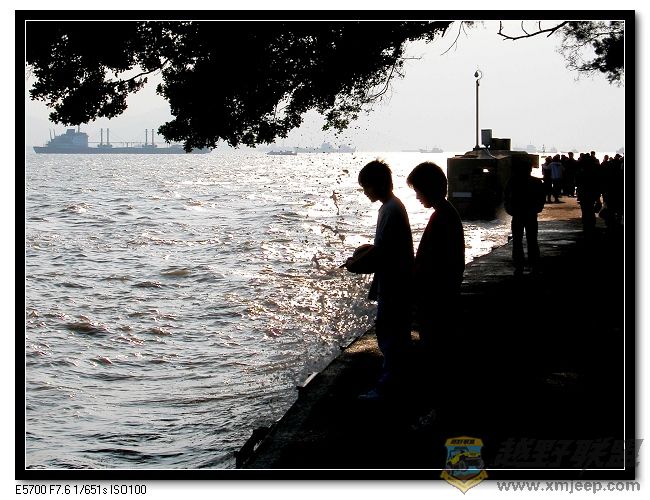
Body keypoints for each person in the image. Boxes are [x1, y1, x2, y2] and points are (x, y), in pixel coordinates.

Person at [343, 160, 414, 400]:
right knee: (394, 333)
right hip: (396, 280)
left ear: (379, 184)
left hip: (395, 283)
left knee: (390, 333)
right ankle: (395, 379)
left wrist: (355, 263)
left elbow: (382, 250)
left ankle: (390, 384)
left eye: (367, 187)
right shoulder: (392, 207)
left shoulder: (390, 210)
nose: (365, 192)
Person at [406, 162, 465, 358]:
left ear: (428, 189)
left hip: (437, 299)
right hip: (443, 296)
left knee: (435, 347)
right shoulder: (447, 213)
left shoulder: (441, 217)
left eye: (418, 191)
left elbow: (433, 262)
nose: (417, 196)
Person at [503, 156, 546, 276]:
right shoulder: (536, 182)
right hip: (531, 214)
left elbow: (506, 196)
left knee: (517, 241)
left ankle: (519, 265)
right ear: (530, 169)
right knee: (532, 240)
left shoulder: (512, 181)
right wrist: (538, 208)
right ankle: (534, 264)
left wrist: (509, 209)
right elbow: (542, 198)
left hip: (517, 214)